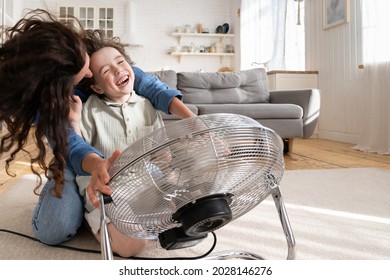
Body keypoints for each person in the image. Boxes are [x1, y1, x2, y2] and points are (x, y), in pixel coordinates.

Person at [0, 9, 194, 246]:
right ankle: (84, 206)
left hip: (110, 169)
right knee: (54, 231)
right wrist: (96, 166)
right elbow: (71, 143)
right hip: (73, 158)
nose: (91, 71)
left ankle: (96, 206)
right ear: (64, 85)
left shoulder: (97, 65)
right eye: (87, 74)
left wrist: (193, 122)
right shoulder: (54, 102)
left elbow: (147, 83)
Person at [69, 30, 195, 257]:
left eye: (120, 62)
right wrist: (75, 121)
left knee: (187, 204)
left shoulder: (148, 105)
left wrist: (166, 161)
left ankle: (149, 218)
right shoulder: (89, 110)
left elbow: (161, 157)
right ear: (97, 87)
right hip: (106, 191)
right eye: (107, 70)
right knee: (132, 247)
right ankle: (98, 222)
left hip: (146, 186)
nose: (118, 70)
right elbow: (77, 148)